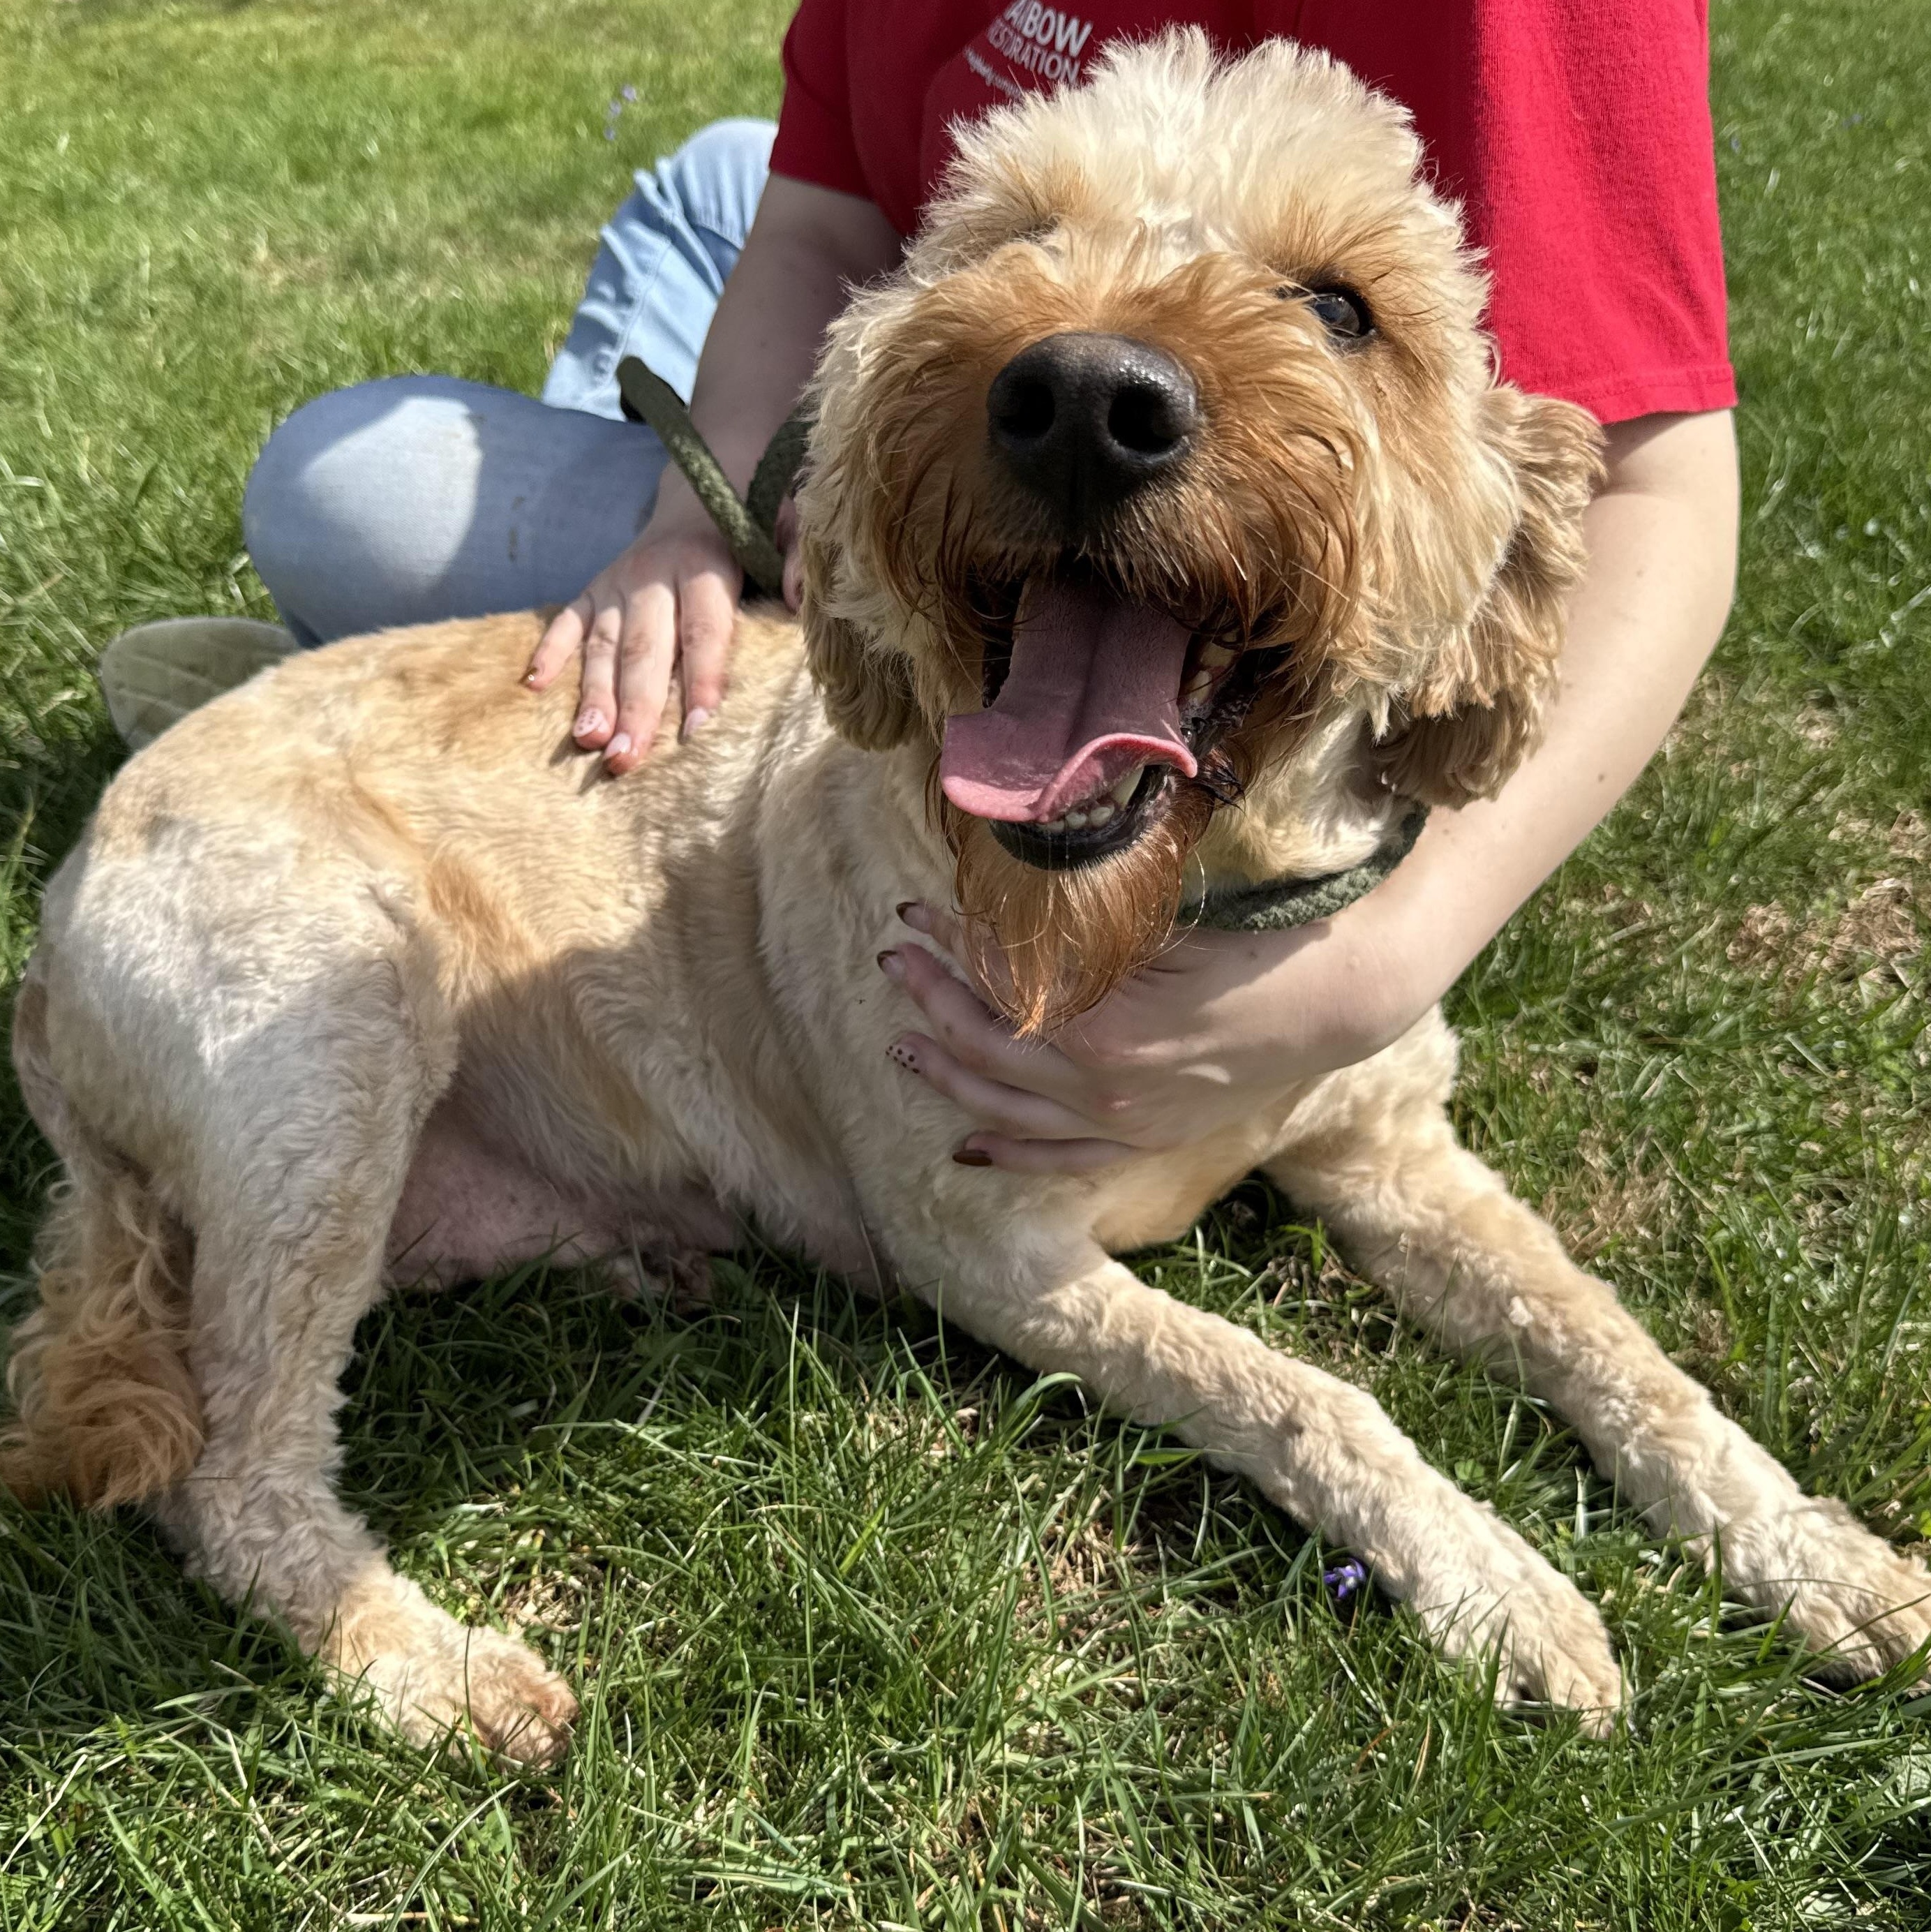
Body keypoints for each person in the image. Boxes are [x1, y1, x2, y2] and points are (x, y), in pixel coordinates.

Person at [108, 1, 1740, 1176]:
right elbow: (817, 227)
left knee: (368, 504)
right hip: (885, 311)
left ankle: (572, 474)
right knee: (346, 486)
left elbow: (1659, 485)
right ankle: (599, 490)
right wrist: (702, 518)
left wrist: (1370, 969)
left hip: (1079, 439)